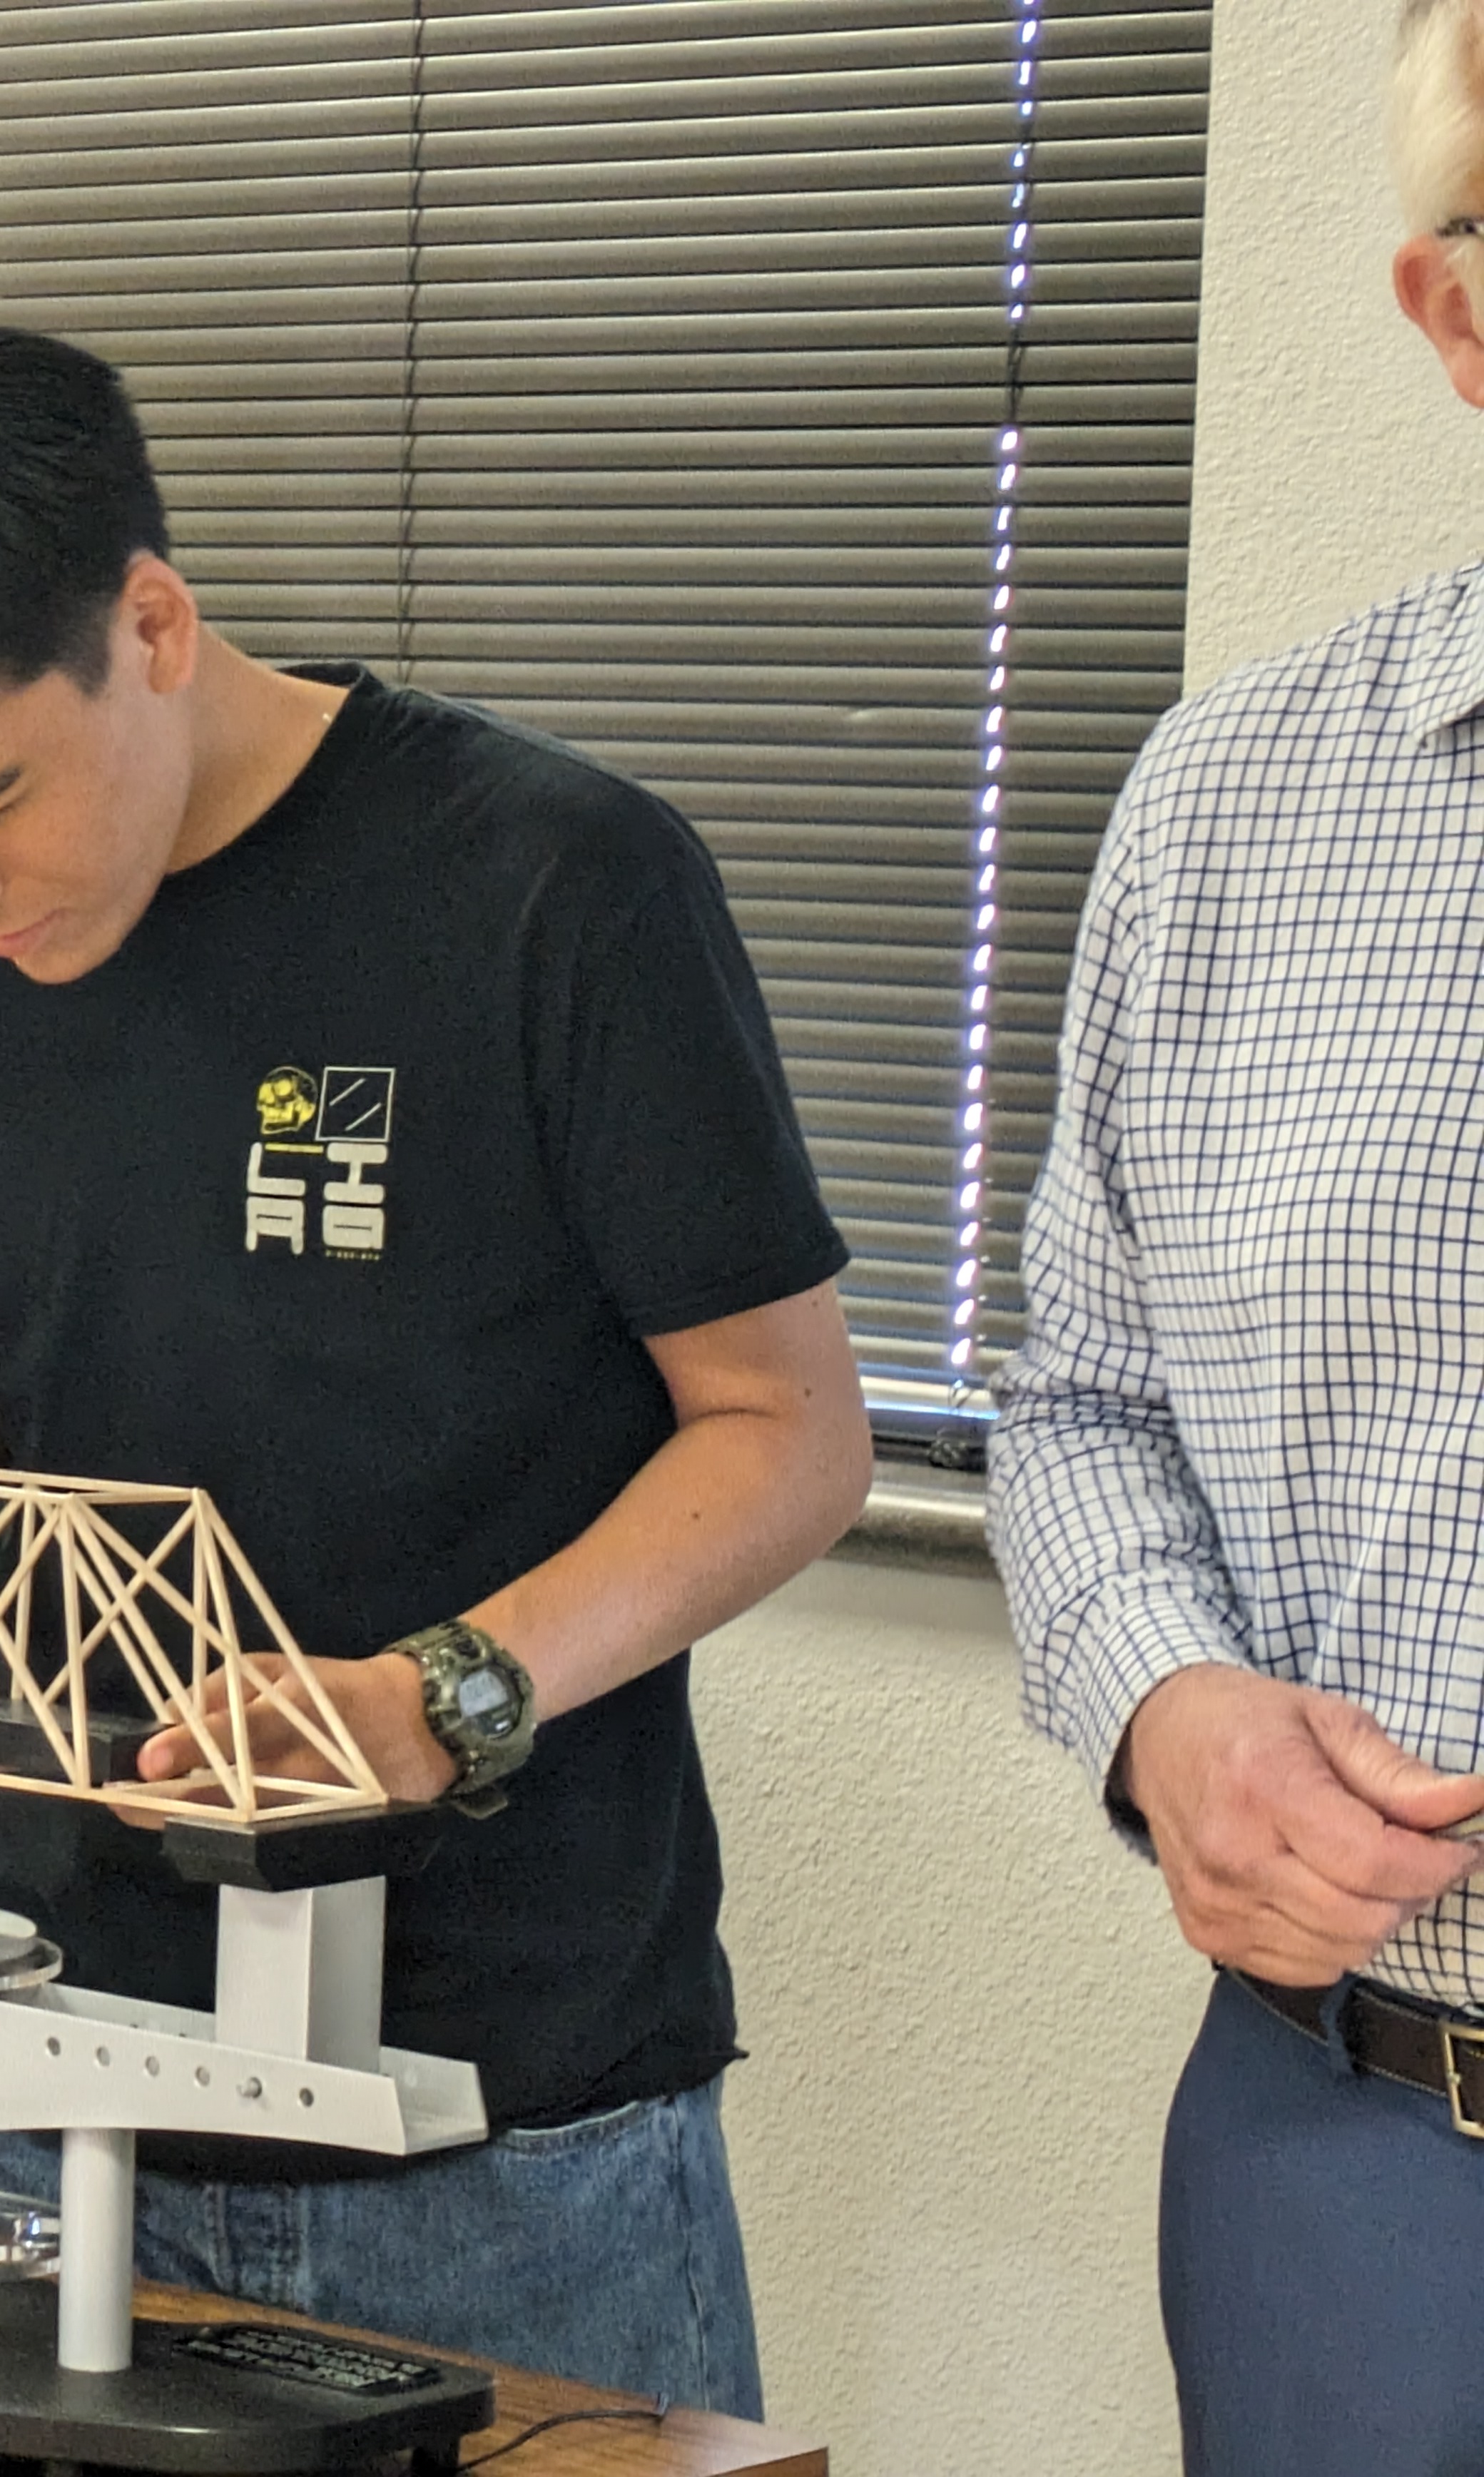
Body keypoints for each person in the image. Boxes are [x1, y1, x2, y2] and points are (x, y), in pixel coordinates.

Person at [0, 309, 869, 2412]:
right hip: (41, 2049)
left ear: (150, 621)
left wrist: (440, 1696)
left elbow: (785, 1434)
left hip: (501, 2109)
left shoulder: (557, 886)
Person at [988, 9, 1484, 2466]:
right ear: (1458, 317)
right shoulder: (1236, 799)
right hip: (1348, 2144)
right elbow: (1081, 1396)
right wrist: (1172, 1708)